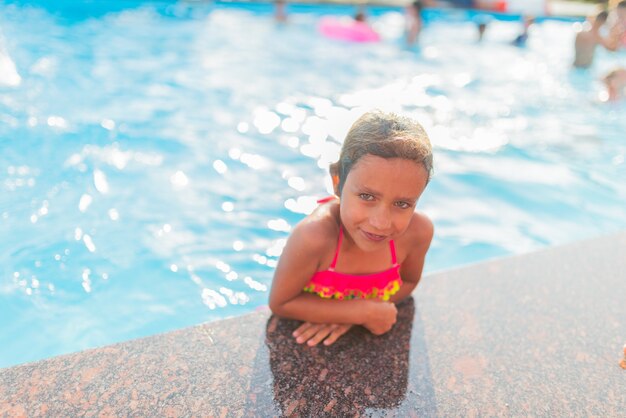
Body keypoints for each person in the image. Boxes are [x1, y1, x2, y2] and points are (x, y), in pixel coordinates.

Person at [268, 110, 434, 347]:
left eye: (402, 203)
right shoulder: (314, 238)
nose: (381, 222)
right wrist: (360, 312)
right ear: (337, 182)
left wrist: (354, 313)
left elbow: (408, 283)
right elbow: (281, 303)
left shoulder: (418, 233)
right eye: (367, 196)